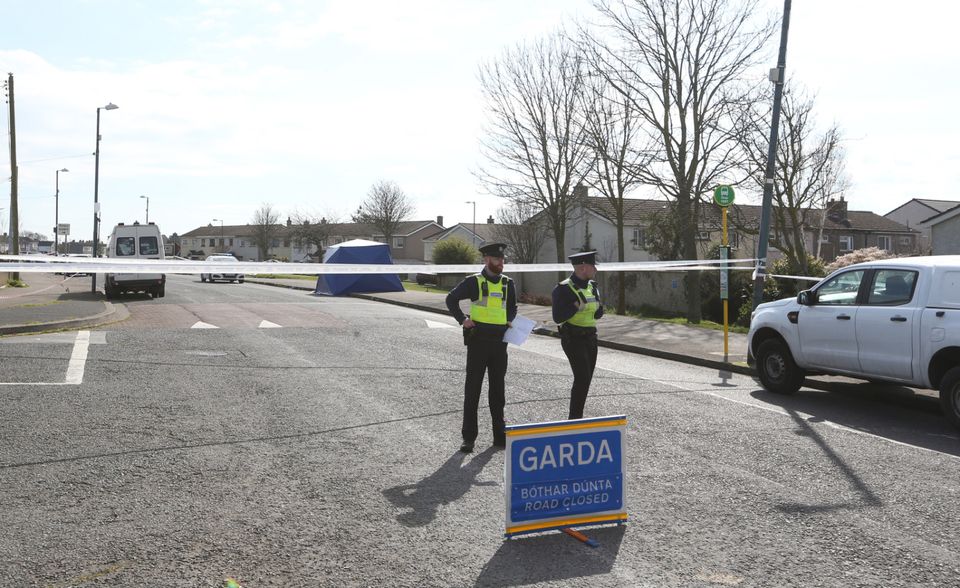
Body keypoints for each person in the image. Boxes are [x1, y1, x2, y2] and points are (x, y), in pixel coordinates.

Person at [444, 242, 517, 453]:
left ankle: (499, 435)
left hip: (499, 343)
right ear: (486, 260)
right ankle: (469, 437)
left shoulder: (507, 283)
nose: (501, 263)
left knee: (498, 391)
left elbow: (512, 308)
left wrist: (510, 320)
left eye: (502, 259)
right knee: (473, 389)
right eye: (496, 259)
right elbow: (451, 299)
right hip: (478, 342)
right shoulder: (474, 282)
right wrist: (462, 320)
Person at [552, 251, 604, 420]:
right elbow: (558, 317)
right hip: (573, 338)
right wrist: (575, 306)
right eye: (593, 265)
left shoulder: (593, 286)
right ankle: (574, 419)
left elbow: (597, 314)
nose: (595, 269)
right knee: (582, 377)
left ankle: (577, 416)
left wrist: (599, 308)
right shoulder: (563, 288)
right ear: (583, 267)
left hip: (590, 338)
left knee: (586, 379)